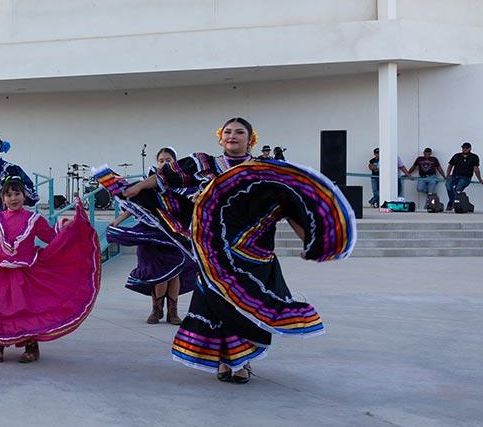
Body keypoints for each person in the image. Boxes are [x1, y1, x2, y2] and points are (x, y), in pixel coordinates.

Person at [114, 117, 355, 384]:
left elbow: (291, 206)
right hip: (213, 251)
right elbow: (163, 178)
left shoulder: (266, 171)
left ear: (250, 139)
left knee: (246, 309)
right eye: (227, 132)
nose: (233, 136)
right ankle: (225, 362)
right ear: (220, 137)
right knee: (219, 308)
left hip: (255, 254)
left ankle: (241, 362)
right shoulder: (203, 164)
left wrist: (312, 243)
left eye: (240, 132)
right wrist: (137, 187)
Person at [0, 172, 100, 363]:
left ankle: (31, 346)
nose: (13, 198)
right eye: (9, 195)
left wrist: (67, 227)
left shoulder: (34, 219)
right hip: (0, 271)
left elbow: (50, 236)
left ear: (24, 196)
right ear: (2, 199)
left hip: (27, 270)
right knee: (0, 306)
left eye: (17, 194)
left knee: (27, 308)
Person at [102, 147, 197, 325]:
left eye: (168, 160)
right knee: (157, 272)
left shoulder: (184, 185)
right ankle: (156, 311)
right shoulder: (147, 184)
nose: (164, 163)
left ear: (175, 163)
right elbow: (135, 206)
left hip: (174, 233)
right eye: (161, 160)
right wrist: (117, 221)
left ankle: (173, 312)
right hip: (150, 233)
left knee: (174, 272)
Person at [446, 142, 481, 208]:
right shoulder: (456, 155)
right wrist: (448, 174)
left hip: (466, 177)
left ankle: (453, 204)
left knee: (457, 189)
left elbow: (476, 169)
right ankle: (452, 201)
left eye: (466, 148)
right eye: (463, 148)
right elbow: (450, 165)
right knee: (448, 185)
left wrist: (480, 179)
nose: (464, 149)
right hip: (454, 176)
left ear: (470, 148)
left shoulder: (474, 157)